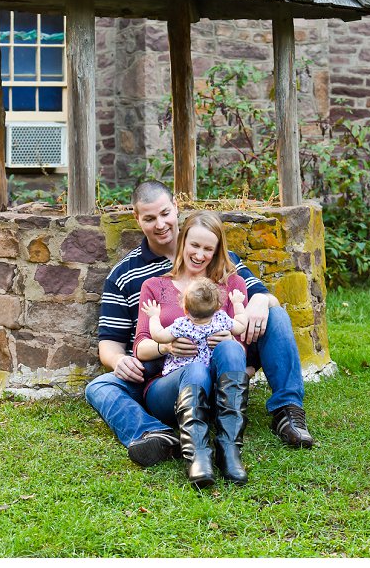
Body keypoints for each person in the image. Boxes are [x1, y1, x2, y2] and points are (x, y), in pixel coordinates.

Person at [83, 181, 315, 472]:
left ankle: (287, 412)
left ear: (176, 209)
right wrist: (124, 360)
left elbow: (258, 297)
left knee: (275, 314)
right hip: (159, 366)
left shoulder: (224, 264)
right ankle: (156, 433)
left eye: (165, 213)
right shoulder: (130, 276)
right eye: (149, 218)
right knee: (99, 388)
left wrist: (259, 303)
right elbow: (110, 342)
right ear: (136, 217)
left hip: (221, 362)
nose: (160, 224)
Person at [134, 228, 253, 487]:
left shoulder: (231, 285)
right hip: (171, 388)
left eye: (208, 248)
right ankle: (198, 455)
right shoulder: (154, 286)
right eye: (194, 245)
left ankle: (228, 448)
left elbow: (241, 346)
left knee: (231, 349)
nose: (199, 254)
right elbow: (141, 348)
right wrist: (167, 348)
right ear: (182, 242)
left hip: (217, 390)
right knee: (197, 369)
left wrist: (230, 339)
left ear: (217, 251)